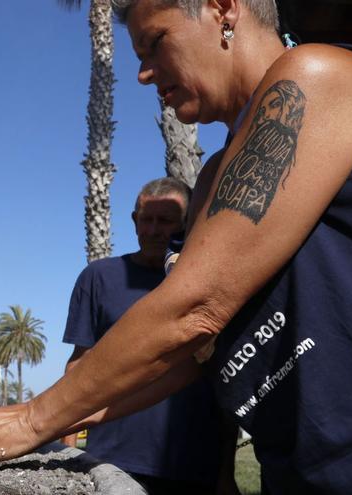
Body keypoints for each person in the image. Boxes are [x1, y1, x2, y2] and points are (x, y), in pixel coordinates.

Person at [0, 0, 352, 493]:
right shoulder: (213, 176)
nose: (144, 74)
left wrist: (30, 421)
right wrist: (62, 416)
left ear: (223, 10)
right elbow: (190, 355)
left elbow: (196, 307)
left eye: (155, 43)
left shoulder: (314, 77)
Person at [63, 177, 231, 494]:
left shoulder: (210, 283)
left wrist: (225, 474)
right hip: (112, 463)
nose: (153, 231)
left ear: (189, 221)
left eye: (165, 221)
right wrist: (68, 455)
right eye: (146, 220)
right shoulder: (98, 278)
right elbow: (78, 367)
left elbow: (223, 382)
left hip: (194, 466)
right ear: (134, 221)